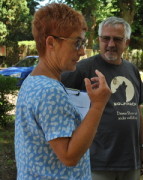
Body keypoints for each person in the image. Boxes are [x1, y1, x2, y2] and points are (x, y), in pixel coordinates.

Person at [14, 3, 111, 179]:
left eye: (83, 42)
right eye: (77, 43)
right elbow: (69, 156)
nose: (82, 51)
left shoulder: (33, 80)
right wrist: (97, 106)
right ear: (51, 42)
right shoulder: (49, 91)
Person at [61, 16, 143, 180]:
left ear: (127, 43)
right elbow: (60, 107)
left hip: (131, 162)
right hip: (96, 164)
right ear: (98, 40)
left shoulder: (132, 70)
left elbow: (137, 111)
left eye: (117, 39)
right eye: (106, 38)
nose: (111, 44)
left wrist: (142, 148)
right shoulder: (82, 69)